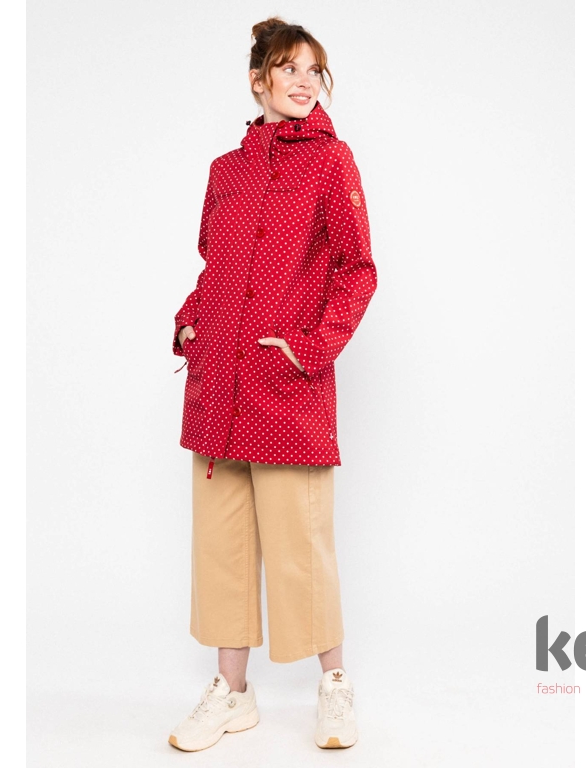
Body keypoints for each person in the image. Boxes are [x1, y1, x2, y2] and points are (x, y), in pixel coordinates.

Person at [167, 17, 377, 752]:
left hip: (286, 388)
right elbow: (215, 265)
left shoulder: (331, 162)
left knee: (301, 546)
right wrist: (190, 322)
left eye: (314, 71)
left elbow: (358, 270)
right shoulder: (225, 170)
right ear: (258, 79)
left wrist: (309, 350)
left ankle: (335, 686)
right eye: (288, 68)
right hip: (218, 386)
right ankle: (232, 693)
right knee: (221, 547)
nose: (303, 82)